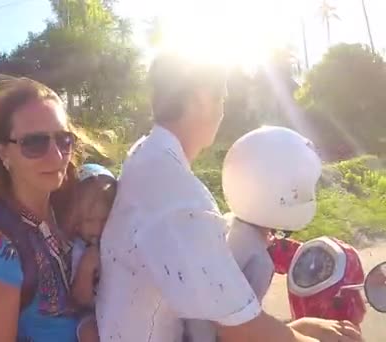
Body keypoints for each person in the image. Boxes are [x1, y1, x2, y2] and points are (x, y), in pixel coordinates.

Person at [96, 51, 363, 342]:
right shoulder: (181, 198)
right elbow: (237, 330)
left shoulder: (144, 155)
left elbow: (226, 322)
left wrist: (297, 330)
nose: (222, 112)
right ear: (201, 99)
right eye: (221, 99)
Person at [184, 126, 324, 341]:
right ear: (278, 193)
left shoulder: (227, 223)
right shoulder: (258, 259)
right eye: (297, 189)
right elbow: (242, 330)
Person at [0, 77, 80, 342]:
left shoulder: (71, 207)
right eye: (34, 143)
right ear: (4, 153)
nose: (56, 156)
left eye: (64, 140)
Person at [63, 163, 118, 342]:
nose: (98, 228)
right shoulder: (78, 249)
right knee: (90, 333)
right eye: (89, 220)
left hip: (118, 308)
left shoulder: (119, 241)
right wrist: (86, 268)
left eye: (104, 219)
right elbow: (81, 299)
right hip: (89, 313)